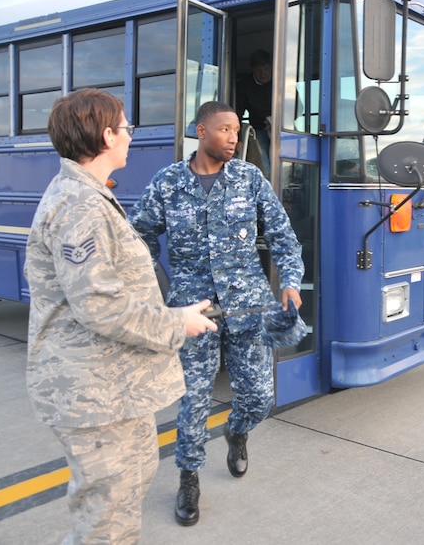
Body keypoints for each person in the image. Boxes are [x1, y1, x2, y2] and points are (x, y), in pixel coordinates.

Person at [24, 88, 218, 544]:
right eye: (126, 127)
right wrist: (177, 323)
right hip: (94, 395)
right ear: (106, 134)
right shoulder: (80, 206)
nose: (131, 135)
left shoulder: (89, 196)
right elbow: (99, 304)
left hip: (113, 390)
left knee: (119, 500)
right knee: (106, 520)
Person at [129, 100, 304, 527]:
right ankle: (189, 478)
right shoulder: (168, 183)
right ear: (200, 130)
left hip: (248, 307)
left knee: (260, 396)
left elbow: (282, 235)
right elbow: (139, 237)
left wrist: (291, 281)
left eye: (236, 131)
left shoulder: (249, 178)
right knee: (193, 401)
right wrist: (158, 290)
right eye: (224, 129)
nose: (233, 137)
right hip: (193, 312)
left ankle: (237, 432)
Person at [235, 49, 273, 176]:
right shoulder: (244, 86)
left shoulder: (282, 81)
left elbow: (298, 107)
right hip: (258, 129)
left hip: (281, 128)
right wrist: (238, 139)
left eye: (266, 69)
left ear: (272, 67)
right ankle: (269, 184)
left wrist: (278, 122)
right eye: (258, 70)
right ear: (253, 71)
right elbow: (237, 114)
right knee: (264, 161)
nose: (263, 74)